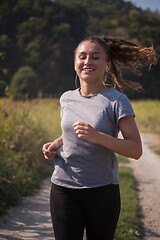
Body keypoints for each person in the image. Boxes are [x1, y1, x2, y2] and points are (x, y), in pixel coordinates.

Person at [42, 35, 158, 240]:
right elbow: (71, 132)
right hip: (63, 187)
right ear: (75, 63)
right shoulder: (66, 98)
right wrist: (56, 144)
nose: (88, 61)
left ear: (107, 65)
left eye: (95, 57)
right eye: (82, 56)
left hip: (102, 191)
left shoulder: (117, 101)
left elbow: (135, 149)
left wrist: (98, 136)